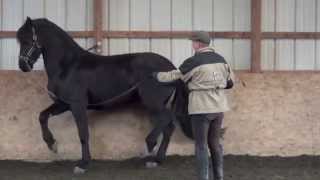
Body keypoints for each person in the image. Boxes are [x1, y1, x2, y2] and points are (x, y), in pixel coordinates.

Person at [152, 31, 235, 180]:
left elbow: (173, 76)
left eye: (193, 42)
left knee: (201, 146)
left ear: (198, 43)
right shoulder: (222, 60)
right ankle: (219, 177)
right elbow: (230, 83)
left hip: (201, 108)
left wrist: (156, 76)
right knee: (215, 144)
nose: (192, 45)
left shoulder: (194, 61)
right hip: (219, 108)